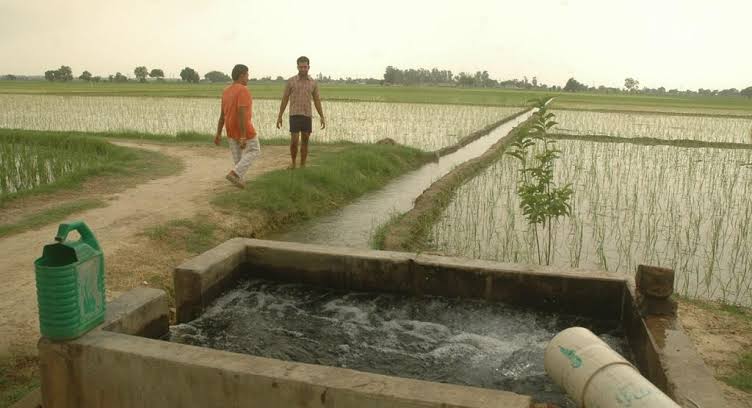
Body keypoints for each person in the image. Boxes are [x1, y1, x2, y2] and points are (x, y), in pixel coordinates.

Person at [214, 64, 261, 188]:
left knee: (238, 158)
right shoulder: (243, 90)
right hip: (243, 129)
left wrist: (218, 133)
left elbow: (222, 115)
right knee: (255, 150)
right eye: (247, 75)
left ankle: (239, 179)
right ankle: (234, 174)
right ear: (242, 75)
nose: (248, 78)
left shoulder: (226, 91)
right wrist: (243, 136)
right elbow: (241, 113)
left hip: (229, 128)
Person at [276, 56, 326, 169]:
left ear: (309, 67)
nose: (303, 69)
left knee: (305, 140)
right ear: (297, 67)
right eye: (301, 67)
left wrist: (322, 116)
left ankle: (302, 165)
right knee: (294, 140)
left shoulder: (313, 83)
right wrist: (279, 116)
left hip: (307, 115)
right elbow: (285, 99)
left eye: (305, 67)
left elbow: (317, 100)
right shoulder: (291, 81)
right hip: (294, 114)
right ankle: (293, 163)